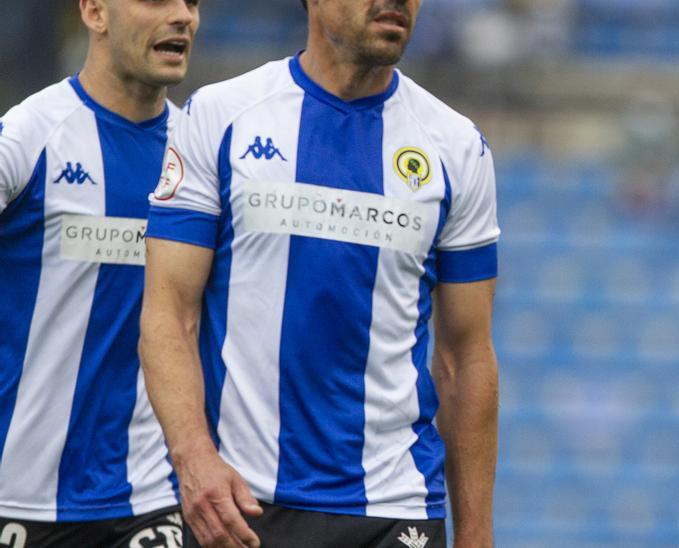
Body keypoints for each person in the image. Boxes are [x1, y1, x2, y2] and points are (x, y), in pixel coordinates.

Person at [138, 0, 500, 547]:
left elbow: (465, 358)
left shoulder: (456, 146)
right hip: (240, 505)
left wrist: (475, 537)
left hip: (394, 507)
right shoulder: (219, 116)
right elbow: (169, 312)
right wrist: (193, 460)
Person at [0, 0, 200, 546]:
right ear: (94, 11)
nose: (183, 15)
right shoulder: (27, 135)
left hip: (151, 497)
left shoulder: (200, 156)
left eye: (194, 2)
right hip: (17, 494)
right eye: (159, 0)